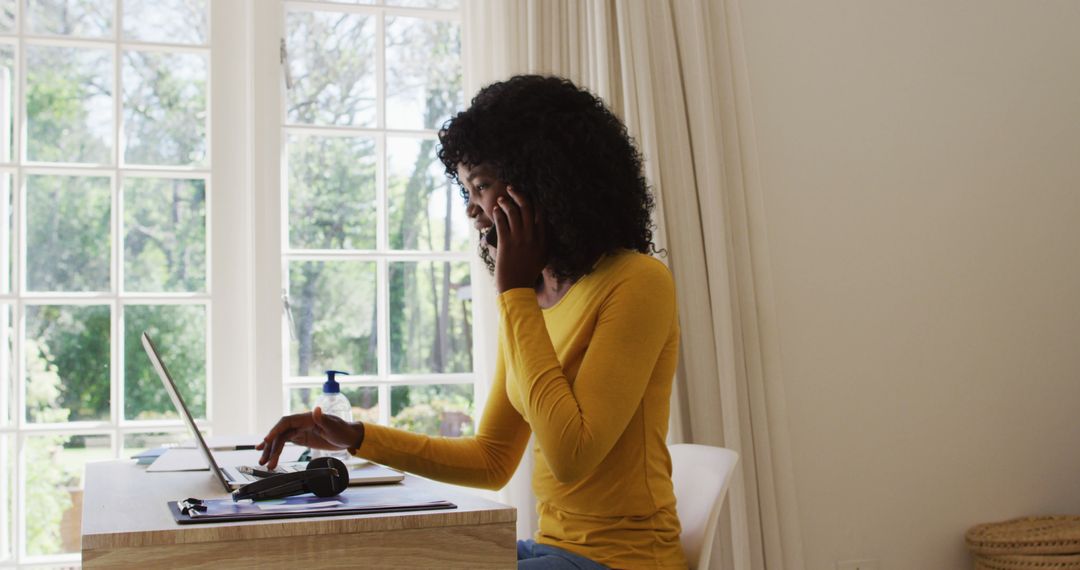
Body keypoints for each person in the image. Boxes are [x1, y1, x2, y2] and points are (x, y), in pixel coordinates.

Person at [257, 75, 685, 569]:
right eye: (466, 190)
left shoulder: (636, 282)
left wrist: (514, 293)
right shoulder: (534, 300)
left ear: (544, 178)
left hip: (624, 561)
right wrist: (354, 437)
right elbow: (492, 459)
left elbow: (572, 456)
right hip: (553, 549)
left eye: (480, 185)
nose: (471, 211)